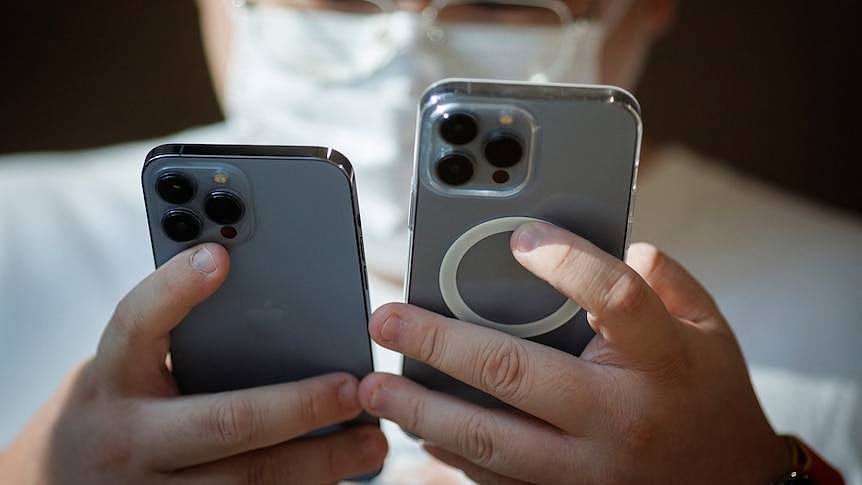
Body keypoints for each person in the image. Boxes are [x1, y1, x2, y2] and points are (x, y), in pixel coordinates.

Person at [0, 0, 859, 482]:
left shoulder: (845, 305)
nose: (404, 71)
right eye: (333, 1)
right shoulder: (17, 242)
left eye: (503, 6)